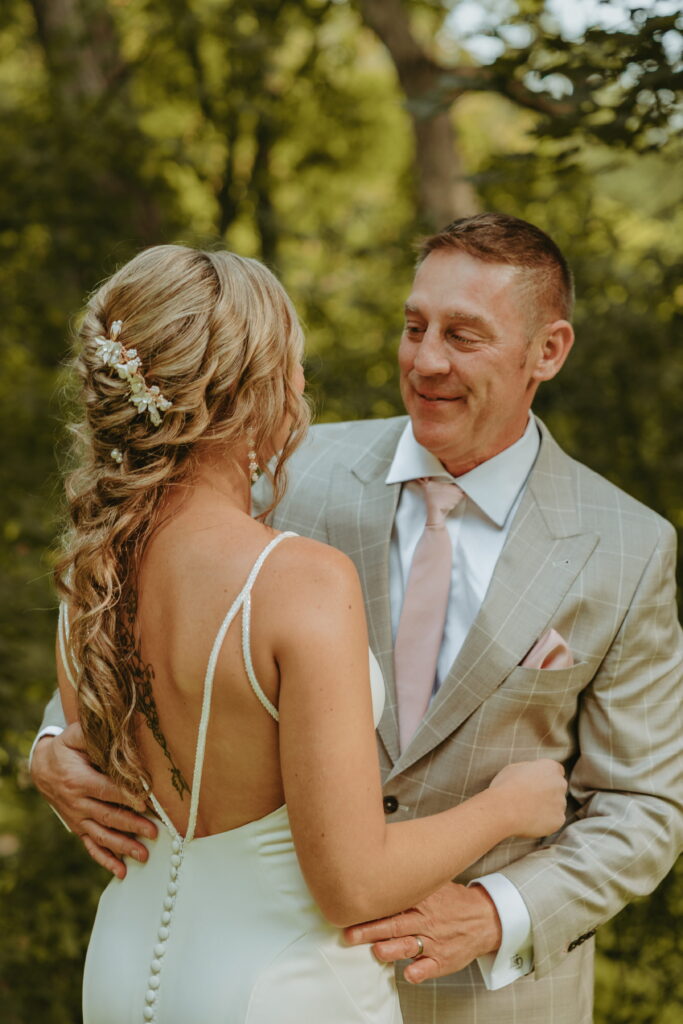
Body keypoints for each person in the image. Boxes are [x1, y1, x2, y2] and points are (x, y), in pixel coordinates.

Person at [32, 214, 683, 1023]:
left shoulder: (628, 547)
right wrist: (55, 744)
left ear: (546, 352)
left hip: (493, 996)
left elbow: (644, 807)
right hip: (282, 977)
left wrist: (496, 912)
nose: (425, 360)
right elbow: (151, 620)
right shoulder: (275, 468)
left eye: (463, 335)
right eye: (414, 327)